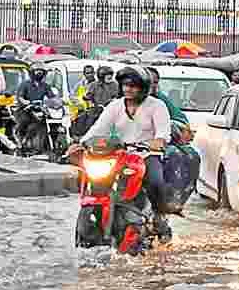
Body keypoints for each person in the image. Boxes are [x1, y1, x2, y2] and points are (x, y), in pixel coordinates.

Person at [71, 67, 172, 237]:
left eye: (133, 86)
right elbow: (98, 129)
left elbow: (162, 136)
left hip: (146, 155)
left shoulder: (157, 106)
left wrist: (154, 143)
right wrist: (80, 144)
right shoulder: (115, 105)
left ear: (143, 87)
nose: (128, 89)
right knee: (90, 176)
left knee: (155, 181)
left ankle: (159, 216)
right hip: (119, 155)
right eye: (125, 85)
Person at [144, 66, 200, 214]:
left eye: (155, 83)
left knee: (190, 155)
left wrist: (173, 128)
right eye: (148, 82)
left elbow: (179, 119)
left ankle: (174, 200)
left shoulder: (160, 101)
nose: (152, 86)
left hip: (157, 146)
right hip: (129, 147)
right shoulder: (121, 102)